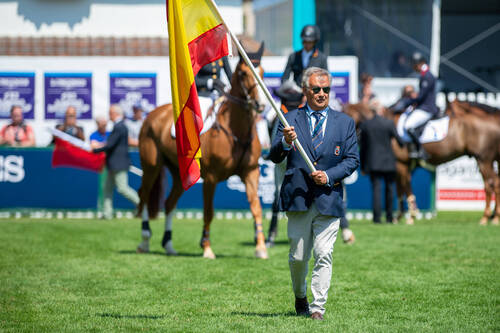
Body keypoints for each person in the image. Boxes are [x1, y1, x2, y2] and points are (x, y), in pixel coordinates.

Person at [269, 67, 359, 320]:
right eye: (316, 89)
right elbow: (274, 156)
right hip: (297, 197)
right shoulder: (288, 119)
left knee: (324, 253)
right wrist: (286, 142)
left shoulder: (345, 122)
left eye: (326, 89)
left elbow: (352, 160)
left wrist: (329, 176)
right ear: (305, 90)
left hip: (329, 199)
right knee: (298, 257)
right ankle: (300, 297)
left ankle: (318, 307)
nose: (322, 94)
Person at [93, 104, 140, 220]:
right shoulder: (119, 126)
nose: (109, 116)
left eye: (110, 113)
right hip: (113, 164)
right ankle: (107, 213)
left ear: (115, 114)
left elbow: (110, 145)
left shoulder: (120, 126)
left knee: (122, 188)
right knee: (107, 188)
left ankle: (142, 205)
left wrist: (95, 148)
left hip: (118, 164)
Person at [359, 106, 404, 224]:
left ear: (372, 111)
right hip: (389, 161)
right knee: (390, 190)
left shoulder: (366, 125)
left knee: (376, 190)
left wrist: (363, 166)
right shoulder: (389, 123)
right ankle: (389, 217)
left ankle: (377, 218)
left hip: (373, 162)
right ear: (382, 111)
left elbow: (362, 148)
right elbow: (400, 141)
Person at [402, 52, 438, 159]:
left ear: (419, 64)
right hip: (424, 106)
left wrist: (407, 102)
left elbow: (421, 96)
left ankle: (420, 149)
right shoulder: (425, 75)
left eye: (414, 65)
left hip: (427, 108)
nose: (413, 68)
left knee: (408, 125)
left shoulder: (427, 76)